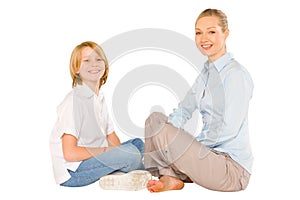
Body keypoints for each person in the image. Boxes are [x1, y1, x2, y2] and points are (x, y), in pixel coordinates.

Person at [144, 8, 254, 192]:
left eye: (212, 32)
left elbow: (229, 129)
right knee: (154, 120)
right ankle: (168, 176)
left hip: (230, 168)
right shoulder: (206, 73)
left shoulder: (236, 75)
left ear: (225, 34)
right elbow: (184, 110)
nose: (204, 38)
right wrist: (167, 137)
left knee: (162, 133)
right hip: (206, 158)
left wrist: (189, 145)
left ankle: (171, 171)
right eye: (198, 32)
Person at [49, 41, 150, 188]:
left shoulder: (98, 98)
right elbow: (70, 153)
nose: (94, 64)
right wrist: (112, 152)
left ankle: (124, 175)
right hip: (73, 172)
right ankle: (151, 175)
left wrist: (118, 153)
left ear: (105, 65)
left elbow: (111, 137)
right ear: (76, 68)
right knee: (132, 154)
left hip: (94, 159)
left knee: (137, 144)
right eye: (86, 61)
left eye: (98, 59)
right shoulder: (74, 102)